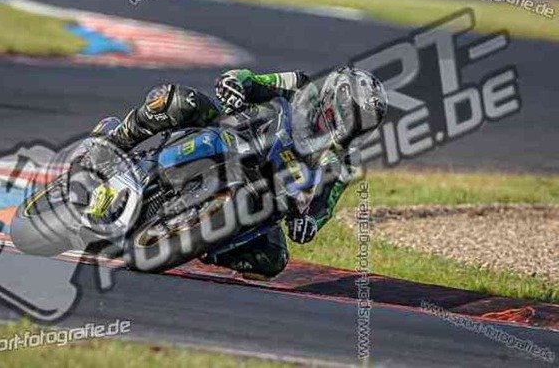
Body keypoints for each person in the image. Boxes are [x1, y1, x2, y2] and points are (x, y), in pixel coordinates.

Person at [85, 68, 387, 279]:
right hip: (232, 132)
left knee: (272, 260)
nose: (352, 127)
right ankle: (114, 141)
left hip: (265, 191)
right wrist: (234, 85)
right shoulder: (299, 85)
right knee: (179, 100)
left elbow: (325, 204)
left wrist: (309, 221)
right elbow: (249, 79)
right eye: (351, 116)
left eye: (362, 125)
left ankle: (200, 241)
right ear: (334, 97)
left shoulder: (346, 161)